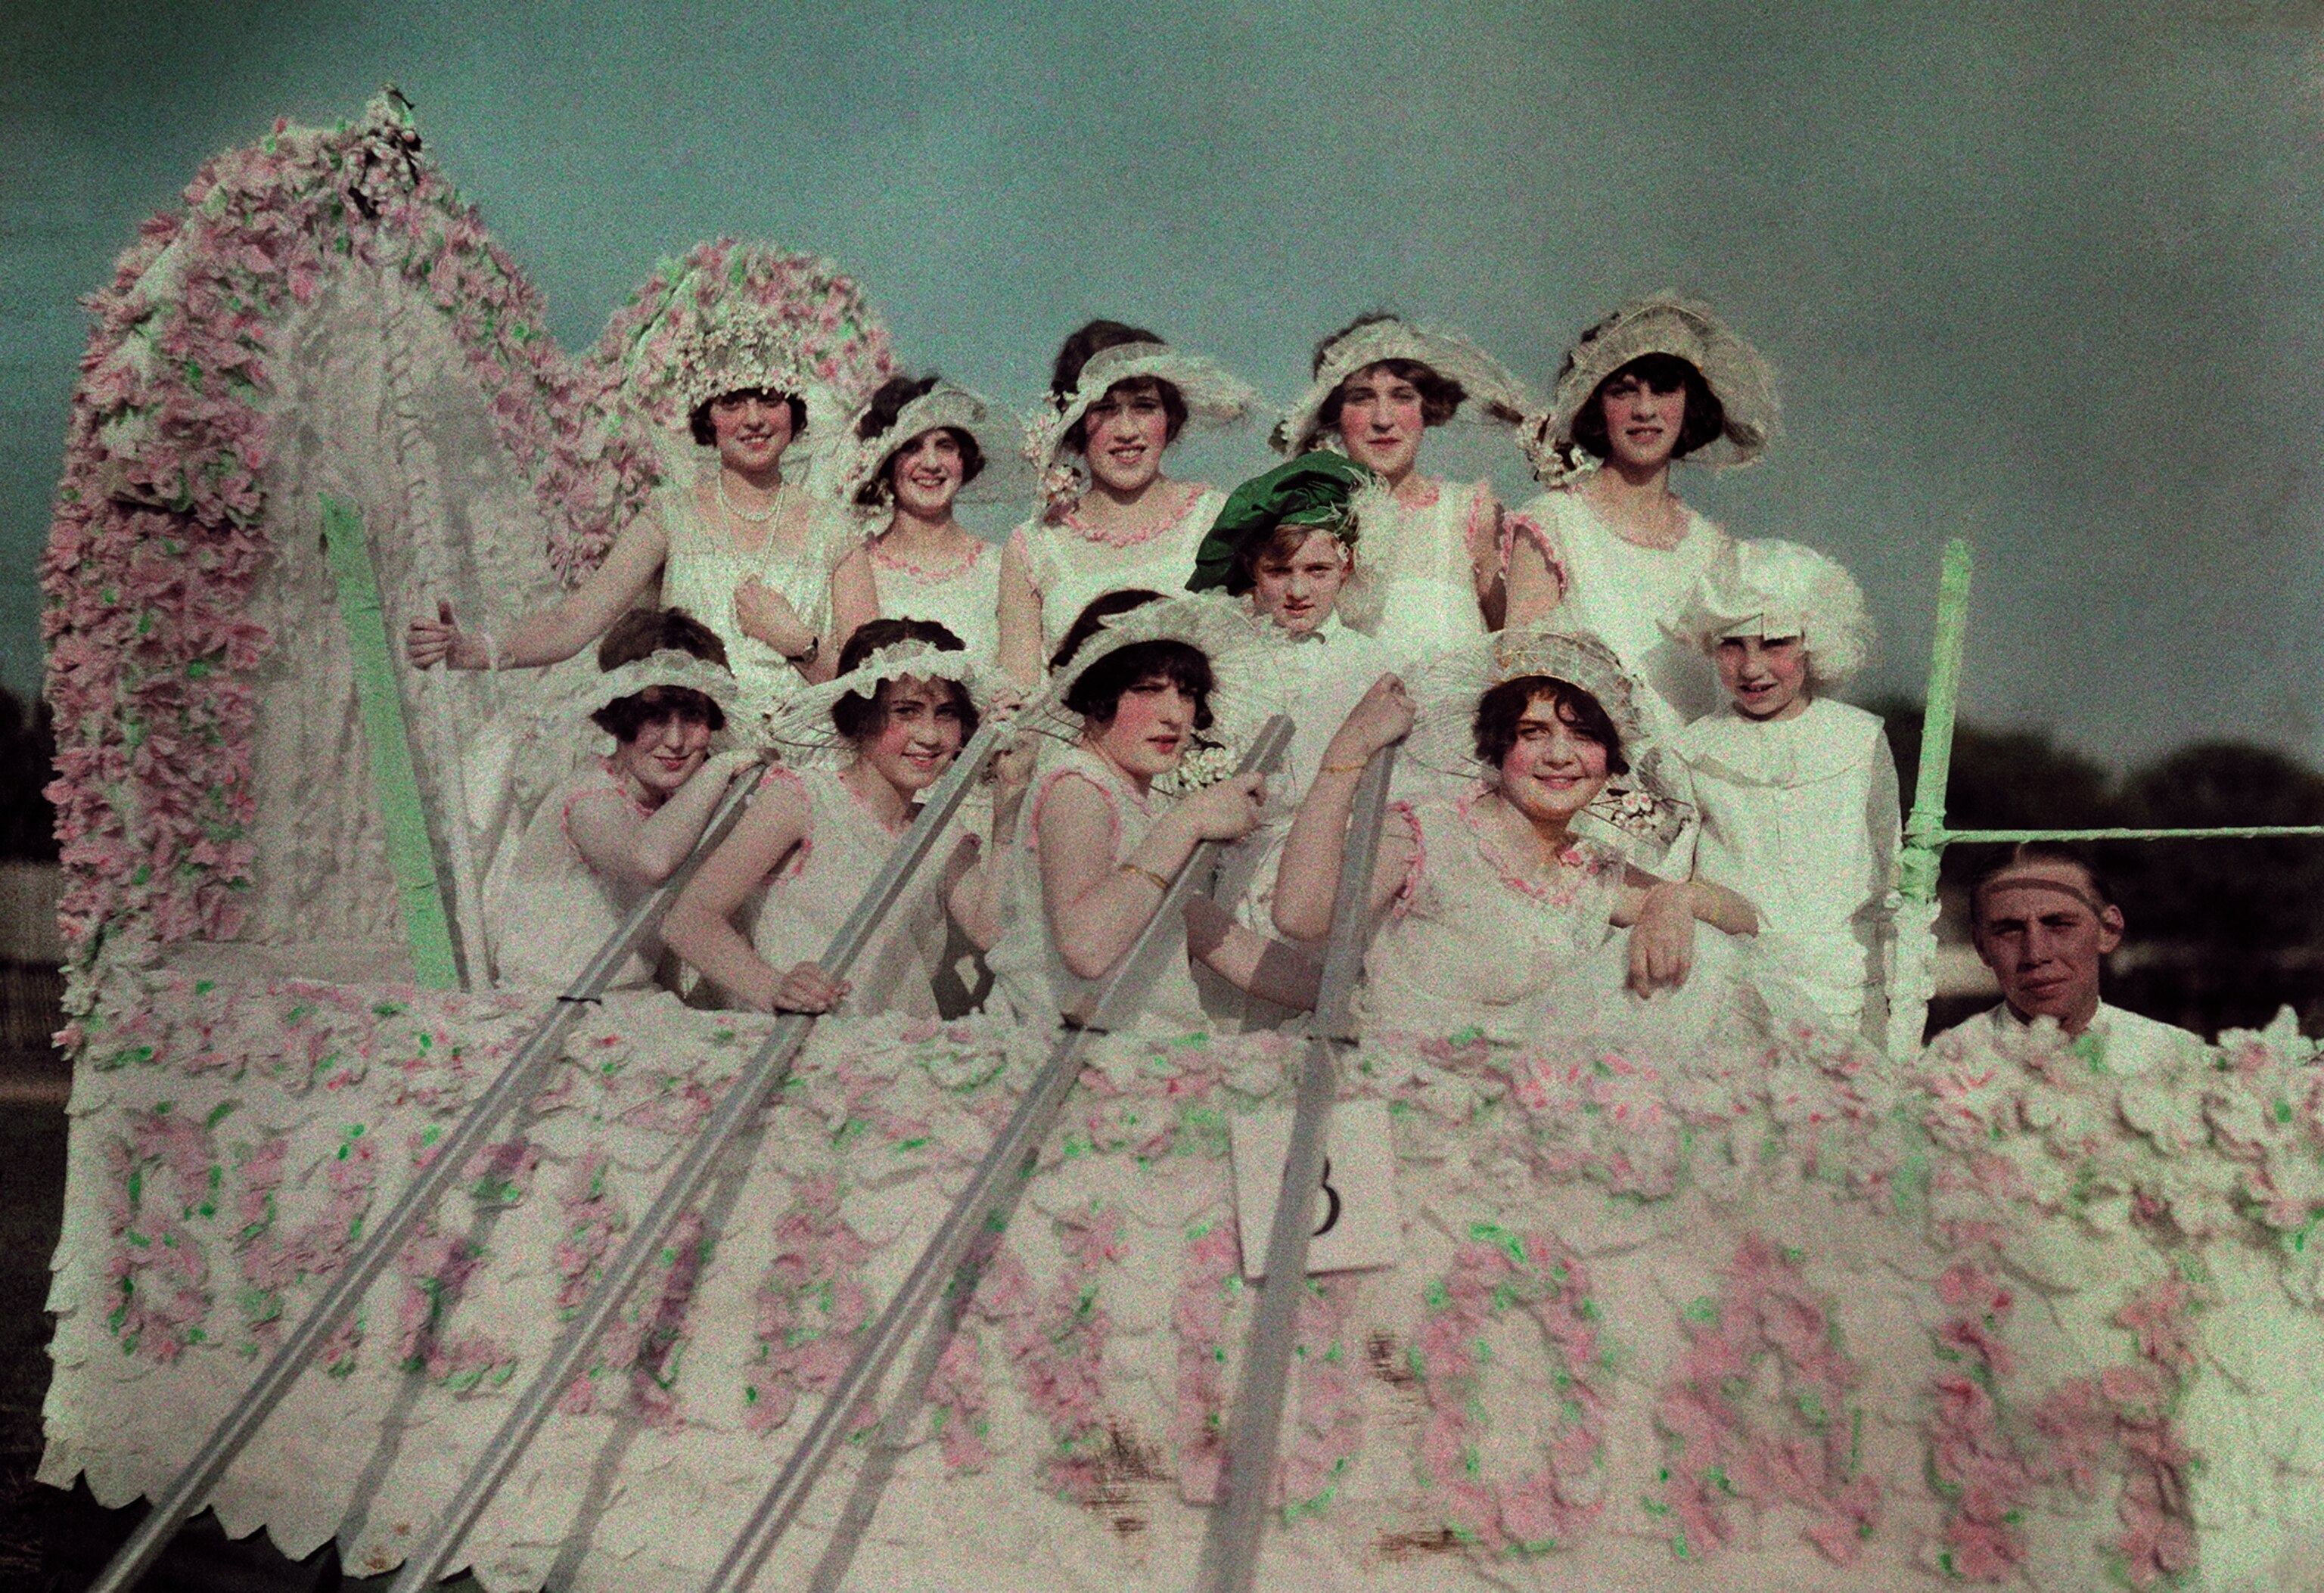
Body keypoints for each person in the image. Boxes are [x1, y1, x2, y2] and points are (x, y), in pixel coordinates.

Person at [405, 258, 884, 706]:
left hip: (808, 762)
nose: (754, 420)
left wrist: (796, 643)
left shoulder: (833, 532)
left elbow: (868, 691)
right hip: (691, 752)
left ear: (795, 412)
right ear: (708, 420)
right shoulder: (671, 517)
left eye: (769, 400)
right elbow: (574, 622)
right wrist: (472, 649)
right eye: (733, 403)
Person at [1273, 628, 1757, 1045]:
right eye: (1533, 733)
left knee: (1707, 955)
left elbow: (1745, 920)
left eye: (1584, 737)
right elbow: (1301, 916)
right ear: (1499, 746)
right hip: (1411, 1079)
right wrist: (1348, 749)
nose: (1560, 756)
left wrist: (1673, 900)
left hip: (1524, 1097)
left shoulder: (1588, 868)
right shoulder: (1432, 831)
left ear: (1609, 764)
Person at [986, 594, 1318, 1033]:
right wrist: (1189, 822)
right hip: (1067, 1058)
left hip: (1135, 1052)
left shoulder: (1141, 805)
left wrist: (1347, 994)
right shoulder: (1077, 787)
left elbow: (1223, 941)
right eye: (1146, 689)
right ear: (1095, 694)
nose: (1173, 715)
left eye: (1187, 693)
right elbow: (1086, 948)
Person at [658, 618, 1018, 1017]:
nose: (930, 736)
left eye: (946, 713)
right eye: (906, 712)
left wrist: (1007, 816)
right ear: (858, 719)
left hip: (893, 1040)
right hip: (791, 1039)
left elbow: (991, 932)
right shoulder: (803, 799)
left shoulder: (941, 831)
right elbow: (689, 920)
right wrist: (775, 987)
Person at [1502, 294, 1779, 740]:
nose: (1645, 410)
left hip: (1694, 778)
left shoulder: (1713, 547)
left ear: (1691, 403)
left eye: (1664, 389)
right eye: (1623, 390)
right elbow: (1522, 680)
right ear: (1597, 405)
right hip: (1586, 778)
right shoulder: (1553, 523)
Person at [1669, 539, 1899, 1039]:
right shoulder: (1692, 752)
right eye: (1732, 644)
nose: (1752, 668)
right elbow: (1677, 879)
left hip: (1851, 986)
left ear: (1813, 642)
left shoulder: (1859, 739)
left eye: (1774, 643)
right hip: (1737, 991)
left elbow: (1891, 864)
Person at [488, 608, 760, 992]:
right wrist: (721, 768)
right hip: (551, 1003)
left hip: (629, 1001)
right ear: (621, 716)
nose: (677, 741)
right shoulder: (588, 796)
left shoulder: (673, 803)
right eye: (655, 718)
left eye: (693, 717)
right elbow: (650, 861)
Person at [1184, 452, 1396, 935]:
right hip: (1239, 867)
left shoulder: (1376, 666)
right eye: (1279, 572)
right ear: (1252, 571)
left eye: (1317, 570)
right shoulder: (1226, 661)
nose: (1298, 590)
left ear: (1346, 568)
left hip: (1331, 869)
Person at [996, 321, 1255, 688]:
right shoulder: (1034, 545)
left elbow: (1248, 662)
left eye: (1145, 406)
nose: (1127, 431)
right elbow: (1017, 694)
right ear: (1075, 423)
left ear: (1170, 418)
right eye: (1104, 409)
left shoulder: (1217, 518)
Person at [1270, 314, 1533, 670]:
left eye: (1402, 396)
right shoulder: (1307, 517)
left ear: (1427, 410)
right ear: (1334, 416)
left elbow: (1516, 648)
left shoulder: (1469, 512)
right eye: (1362, 398)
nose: (1383, 420)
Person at [1928, 844, 2206, 1070]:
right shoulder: (1946, 1069)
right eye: (2010, 930)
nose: (2035, 954)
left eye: (2059, 924)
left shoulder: (2176, 1058)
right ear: (1981, 947)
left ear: (2108, 929)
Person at [840, 375, 1012, 668]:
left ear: (964, 459)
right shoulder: (855, 566)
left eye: (944, 446)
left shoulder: (1001, 566)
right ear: (887, 461)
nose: (931, 464)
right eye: (911, 447)